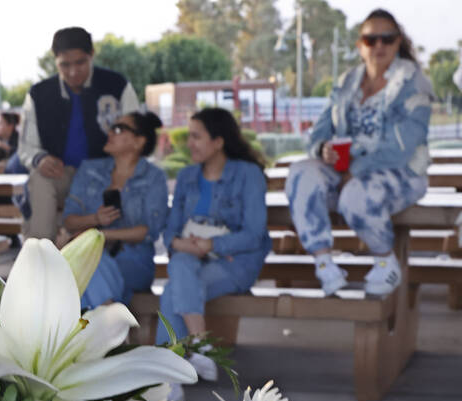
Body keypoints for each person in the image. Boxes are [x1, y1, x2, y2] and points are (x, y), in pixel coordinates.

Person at [284, 9, 432, 297]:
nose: (379, 46)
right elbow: (318, 133)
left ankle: (386, 261)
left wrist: (356, 170)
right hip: (347, 172)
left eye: (386, 39)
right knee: (301, 172)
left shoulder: (414, 84)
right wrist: (322, 149)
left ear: (398, 41)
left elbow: (402, 148)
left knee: (356, 196)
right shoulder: (347, 83)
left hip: (400, 172)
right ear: (360, 45)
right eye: (370, 39)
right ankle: (324, 264)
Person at [156, 108, 268, 380]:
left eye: (196, 136)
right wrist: (178, 243)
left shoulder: (248, 175)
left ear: (218, 141)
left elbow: (254, 234)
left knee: (173, 291)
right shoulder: (186, 176)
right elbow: (170, 227)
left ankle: (165, 377)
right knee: (181, 266)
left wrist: (211, 245)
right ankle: (200, 349)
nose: (189, 143)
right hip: (190, 259)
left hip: (234, 263)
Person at [19, 27, 140, 241]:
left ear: (92, 55)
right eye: (65, 64)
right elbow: (26, 147)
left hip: (106, 176)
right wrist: (40, 159)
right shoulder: (38, 94)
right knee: (39, 178)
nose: (73, 71)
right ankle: (39, 250)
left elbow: (137, 138)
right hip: (59, 174)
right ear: (55, 61)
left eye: (80, 63)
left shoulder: (117, 86)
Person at [60, 111, 167, 308]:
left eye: (119, 129)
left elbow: (148, 231)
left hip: (135, 260)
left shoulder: (154, 178)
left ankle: (106, 324)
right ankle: (110, 319)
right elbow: (69, 220)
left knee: (87, 266)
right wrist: (95, 218)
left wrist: (99, 235)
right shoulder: (89, 170)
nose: (110, 132)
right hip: (93, 256)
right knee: (90, 265)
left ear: (139, 141)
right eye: (111, 127)